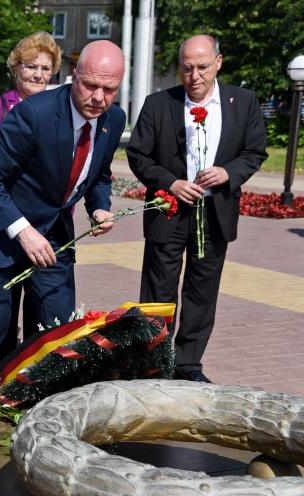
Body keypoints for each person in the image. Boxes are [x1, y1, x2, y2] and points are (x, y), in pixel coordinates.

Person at [0, 40, 126, 366]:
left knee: (57, 328)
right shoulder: (34, 114)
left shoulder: (114, 120)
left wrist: (98, 206)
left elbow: (99, 172)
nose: (98, 98)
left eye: (109, 89)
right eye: (90, 85)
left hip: (53, 234)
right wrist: (23, 231)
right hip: (0, 230)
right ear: (73, 75)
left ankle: (38, 389)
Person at [127, 35, 267, 383]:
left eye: (202, 67)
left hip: (215, 213)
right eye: (187, 68)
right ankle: (154, 362)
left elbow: (254, 151)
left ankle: (188, 364)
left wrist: (228, 173)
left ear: (218, 62)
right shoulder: (158, 104)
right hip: (169, 211)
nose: (195, 76)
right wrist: (171, 183)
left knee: (202, 292)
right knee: (158, 291)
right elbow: (138, 155)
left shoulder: (243, 102)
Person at [0, 32, 61, 186]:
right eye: (31, 66)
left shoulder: (59, 111)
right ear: (16, 68)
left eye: (46, 68)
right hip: (0, 198)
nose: (38, 75)